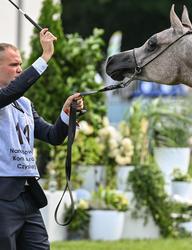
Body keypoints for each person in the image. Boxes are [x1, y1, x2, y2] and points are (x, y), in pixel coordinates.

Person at [0, 28, 84, 250]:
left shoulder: (25, 104)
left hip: (28, 194)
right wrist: (45, 56)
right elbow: (11, 92)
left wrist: (67, 113)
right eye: (13, 65)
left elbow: (52, 136)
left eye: (21, 64)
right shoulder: (5, 96)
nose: (19, 70)